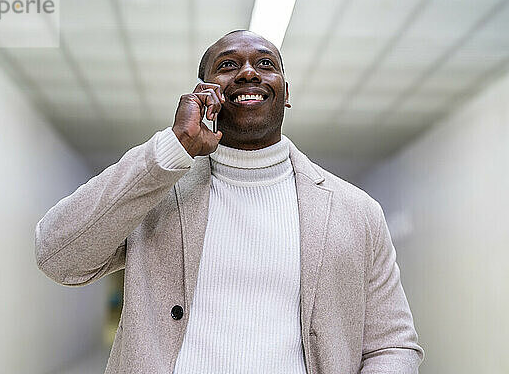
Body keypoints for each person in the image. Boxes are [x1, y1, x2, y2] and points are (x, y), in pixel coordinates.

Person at [34, 30, 424, 373]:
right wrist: (174, 148)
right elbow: (58, 255)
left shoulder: (355, 211)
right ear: (205, 94)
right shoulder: (155, 191)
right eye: (227, 65)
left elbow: (393, 343)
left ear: (286, 93)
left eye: (265, 63)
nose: (248, 73)